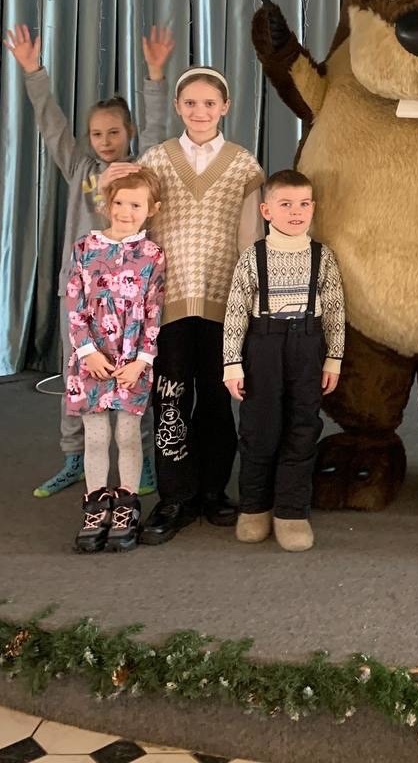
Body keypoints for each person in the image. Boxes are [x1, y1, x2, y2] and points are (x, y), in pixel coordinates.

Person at [3, 22, 174, 499]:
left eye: (114, 132)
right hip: (81, 301)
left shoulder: (143, 167)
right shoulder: (81, 167)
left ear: (128, 133)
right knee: (78, 374)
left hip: (130, 303)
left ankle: (141, 461)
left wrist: (155, 75)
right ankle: (74, 458)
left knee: (135, 376)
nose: (104, 140)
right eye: (97, 133)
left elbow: (158, 128)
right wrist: (33, 71)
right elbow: (51, 124)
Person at [136, 66, 265, 545]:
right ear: (177, 107)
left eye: (210, 103)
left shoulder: (243, 165)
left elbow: (251, 238)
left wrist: (251, 300)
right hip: (167, 302)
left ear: (225, 107)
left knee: (215, 399)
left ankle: (213, 490)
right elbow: (137, 221)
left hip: (222, 302)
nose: (200, 111)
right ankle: (175, 496)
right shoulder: (156, 160)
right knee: (170, 399)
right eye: (190, 102)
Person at [222, 169, 345, 552]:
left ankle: (291, 512)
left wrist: (334, 359)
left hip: (307, 346)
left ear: (313, 208)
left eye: (304, 204)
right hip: (263, 346)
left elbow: (335, 311)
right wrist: (232, 363)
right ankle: (255, 507)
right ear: (267, 211)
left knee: (302, 426)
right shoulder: (252, 257)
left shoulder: (322, 257)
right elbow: (235, 312)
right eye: (286, 204)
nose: (296, 212)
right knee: (260, 427)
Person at [65, 169, 165, 553]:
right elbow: (74, 303)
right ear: (107, 204)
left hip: (132, 362)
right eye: (119, 202)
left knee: (127, 434)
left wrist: (142, 360)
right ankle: (95, 508)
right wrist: (87, 352)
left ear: (151, 209)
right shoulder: (85, 248)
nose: (125, 211)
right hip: (90, 361)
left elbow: (154, 310)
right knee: (96, 436)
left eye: (135, 205)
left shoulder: (153, 255)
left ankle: (125, 507)